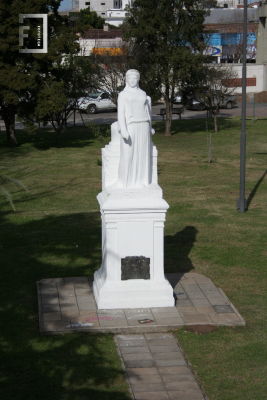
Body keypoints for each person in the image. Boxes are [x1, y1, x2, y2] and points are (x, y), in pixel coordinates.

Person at [114, 69, 155, 189]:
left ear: (138, 79)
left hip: (143, 125)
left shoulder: (143, 94)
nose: (132, 80)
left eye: (135, 78)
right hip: (131, 125)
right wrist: (124, 130)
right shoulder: (123, 94)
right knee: (128, 155)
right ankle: (123, 182)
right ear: (126, 79)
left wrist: (150, 127)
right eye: (130, 78)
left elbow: (148, 111)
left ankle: (141, 181)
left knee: (142, 154)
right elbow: (121, 114)